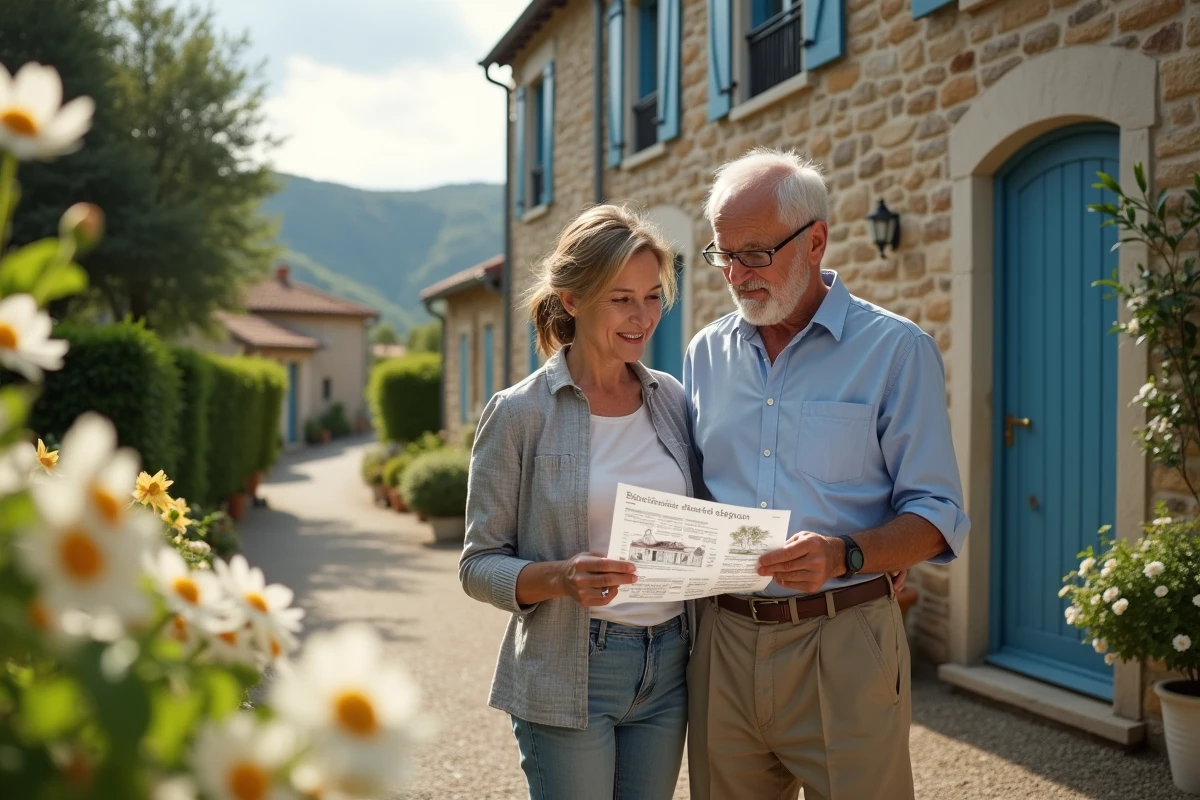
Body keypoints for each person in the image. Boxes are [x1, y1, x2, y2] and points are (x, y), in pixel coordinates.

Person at [683, 148, 970, 800]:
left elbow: (938, 514)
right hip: (723, 642)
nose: (735, 273)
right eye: (723, 254)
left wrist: (847, 553)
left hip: (845, 640)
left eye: (755, 253)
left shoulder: (897, 351)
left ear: (816, 241)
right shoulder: (704, 355)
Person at [460, 204, 700, 800]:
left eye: (652, 296)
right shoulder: (519, 413)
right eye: (621, 298)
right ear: (571, 299)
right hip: (571, 669)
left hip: (669, 666)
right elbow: (477, 564)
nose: (642, 316)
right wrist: (562, 577)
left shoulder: (669, 398)